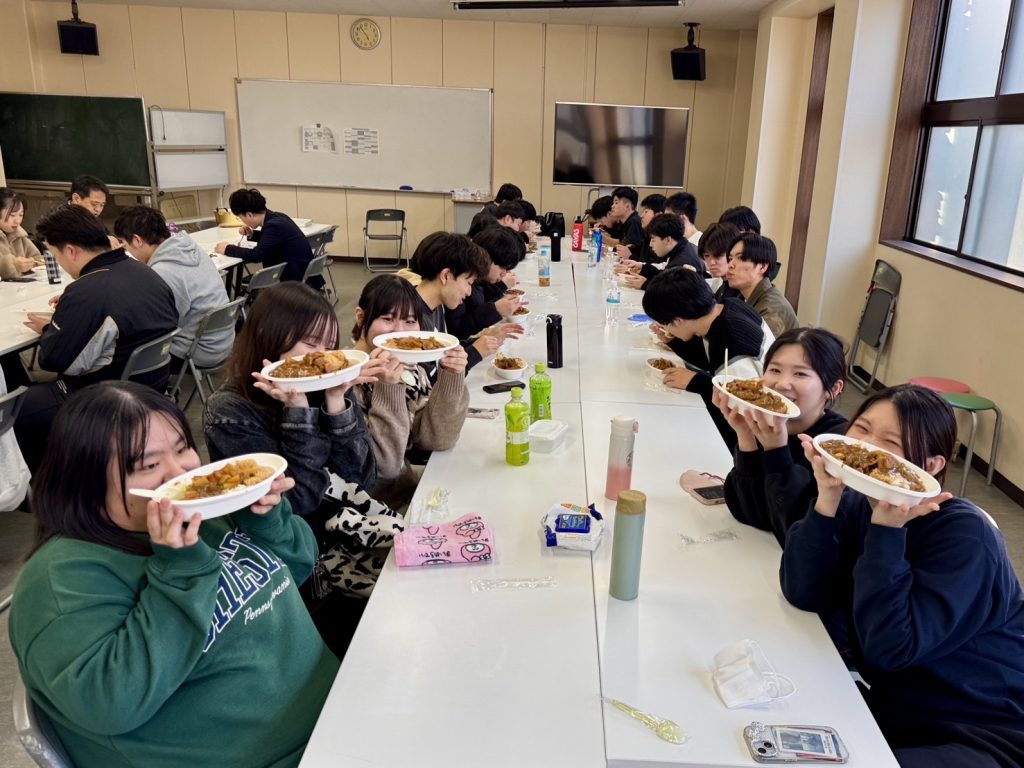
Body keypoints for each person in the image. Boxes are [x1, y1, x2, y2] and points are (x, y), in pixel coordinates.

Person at [8, 381, 337, 768]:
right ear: (86, 484)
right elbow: (110, 703)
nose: (180, 473)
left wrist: (263, 517)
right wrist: (180, 571)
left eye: (183, 449)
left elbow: (297, 568)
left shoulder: (204, 513)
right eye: (148, 466)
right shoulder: (60, 581)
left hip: (338, 711)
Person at [782, 384, 1024, 768]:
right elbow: (802, 592)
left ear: (931, 465)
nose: (866, 446)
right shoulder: (857, 503)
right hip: (897, 713)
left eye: (890, 441)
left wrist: (887, 531)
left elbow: (890, 650)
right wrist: (827, 499)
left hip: (985, 729)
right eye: (862, 428)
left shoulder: (965, 534)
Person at [204, 283, 400, 652]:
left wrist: (336, 401)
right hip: (297, 564)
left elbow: (362, 477)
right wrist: (298, 412)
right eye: (311, 343)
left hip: (348, 531)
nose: (321, 355)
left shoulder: (323, 384)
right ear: (270, 337)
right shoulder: (230, 411)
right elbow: (298, 502)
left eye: (328, 344)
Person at [13, 206, 178, 472]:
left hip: (105, 399)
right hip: (153, 386)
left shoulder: (86, 290)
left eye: (55, 255)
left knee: (15, 409)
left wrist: (51, 329)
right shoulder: (146, 272)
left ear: (70, 251)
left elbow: (53, 360)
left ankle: (47, 483)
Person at [716, 328, 847, 545]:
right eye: (775, 370)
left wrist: (776, 450)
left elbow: (791, 529)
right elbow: (745, 511)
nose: (781, 384)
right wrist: (745, 435)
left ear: (833, 388)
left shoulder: (836, 445)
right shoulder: (766, 423)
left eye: (800, 374)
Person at [351, 275, 469, 506]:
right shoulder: (346, 383)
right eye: (388, 319)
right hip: (374, 508)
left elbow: (437, 439)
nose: (399, 332)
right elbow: (383, 470)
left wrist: (452, 376)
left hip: (411, 492)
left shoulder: (410, 368)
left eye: (410, 321)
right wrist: (388, 388)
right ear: (361, 317)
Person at [642, 267, 768, 452]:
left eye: (666, 323)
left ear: (678, 321)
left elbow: (745, 403)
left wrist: (696, 382)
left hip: (757, 437)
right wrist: (674, 341)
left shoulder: (730, 341)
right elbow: (712, 357)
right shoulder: (727, 308)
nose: (665, 328)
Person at [114, 206, 233, 373]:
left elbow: (161, 327)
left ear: (137, 240)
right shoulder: (190, 248)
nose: (127, 251)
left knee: (123, 351)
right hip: (223, 342)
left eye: (125, 246)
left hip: (200, 352)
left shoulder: (164, 271)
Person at [405, 232, 506, 375]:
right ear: (446, 276)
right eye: (469, 282)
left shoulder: (436, 305)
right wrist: (475, 353)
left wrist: (478, 341)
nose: (469, 292)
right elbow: (431, 381)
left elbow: (443, 353)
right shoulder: (410, 321)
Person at [213, 187, 316, 284]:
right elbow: (274, 240)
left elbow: (256, 255)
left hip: (295, 282)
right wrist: (252, 234)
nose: (242, 221)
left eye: (240, 218)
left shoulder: (273, 226)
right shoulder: (278, 216)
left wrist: (227, 248)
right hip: (303, 275)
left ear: (249, 215)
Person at [446, 226, 525, 339]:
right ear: (486, 258)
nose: (504, 274)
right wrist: (495, 310)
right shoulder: (460, 281)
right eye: (502, 267)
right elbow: (456, 331)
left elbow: (481, 302)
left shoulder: (480, 281)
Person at [726, 232, 797, 337]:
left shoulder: (773, 309)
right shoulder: (742, 297)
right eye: (730, 258)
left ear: (762, 267)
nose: (730, 265)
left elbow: (751, 345)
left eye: (740, 258)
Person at [616, 213, 702, 289]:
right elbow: (665, 276)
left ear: (668, 240)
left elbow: (671, 292)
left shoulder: (683, 261)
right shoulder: (682, 247)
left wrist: (646, 285)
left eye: (653, 239)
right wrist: (643, 269)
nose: (650, 244)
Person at [0, 188, 42, 280]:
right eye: (12, 215)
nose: (18, 221)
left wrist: (31, 263)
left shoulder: (19, 235)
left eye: (21, 215)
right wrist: (13, 265)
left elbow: (38, 259)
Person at [697, 221, 741, 297]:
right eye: (707, 256)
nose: (711, 262)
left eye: (717, 256)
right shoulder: (723, 288)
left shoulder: (741, 290)